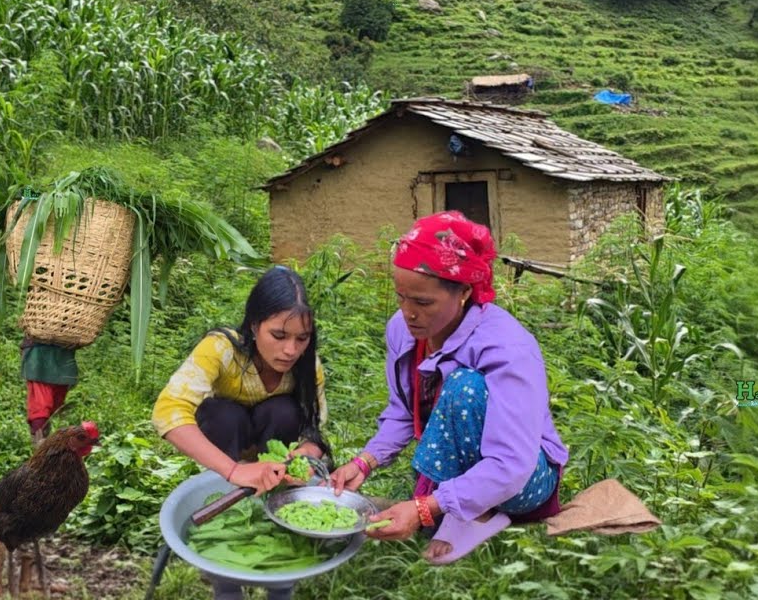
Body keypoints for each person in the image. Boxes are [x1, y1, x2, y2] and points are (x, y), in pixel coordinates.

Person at [329, 211, 567, 564]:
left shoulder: (508, 348)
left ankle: (473, 513)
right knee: (457, 388)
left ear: (465, 293)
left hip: (523, 480)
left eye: (423, 302)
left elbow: (512, 465)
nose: (408, 313)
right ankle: (453, 505)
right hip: (462, 465)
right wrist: (363, 463)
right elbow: (403, 411)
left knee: (464, 386)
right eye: (401, 298)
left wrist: (426, 508)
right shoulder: (404, 331)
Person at [152, 265, 327, 600]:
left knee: (283, 410)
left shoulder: (307, 367)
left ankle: (280, 580)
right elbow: (167, 411)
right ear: (254, 325)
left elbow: (314, 433)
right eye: (279, 335)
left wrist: (303, 457)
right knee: (222, 413)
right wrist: (234, 470)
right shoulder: (220, 349)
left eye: (301, 339)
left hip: (276, 467)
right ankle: (226, 583)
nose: (290, 350)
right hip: (226, 457)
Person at [20, 336, 78, 447]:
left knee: (48, 404)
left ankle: (42, 445)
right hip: (45, 354)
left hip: (57, 353)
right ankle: (41, 445)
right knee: (43, 404)